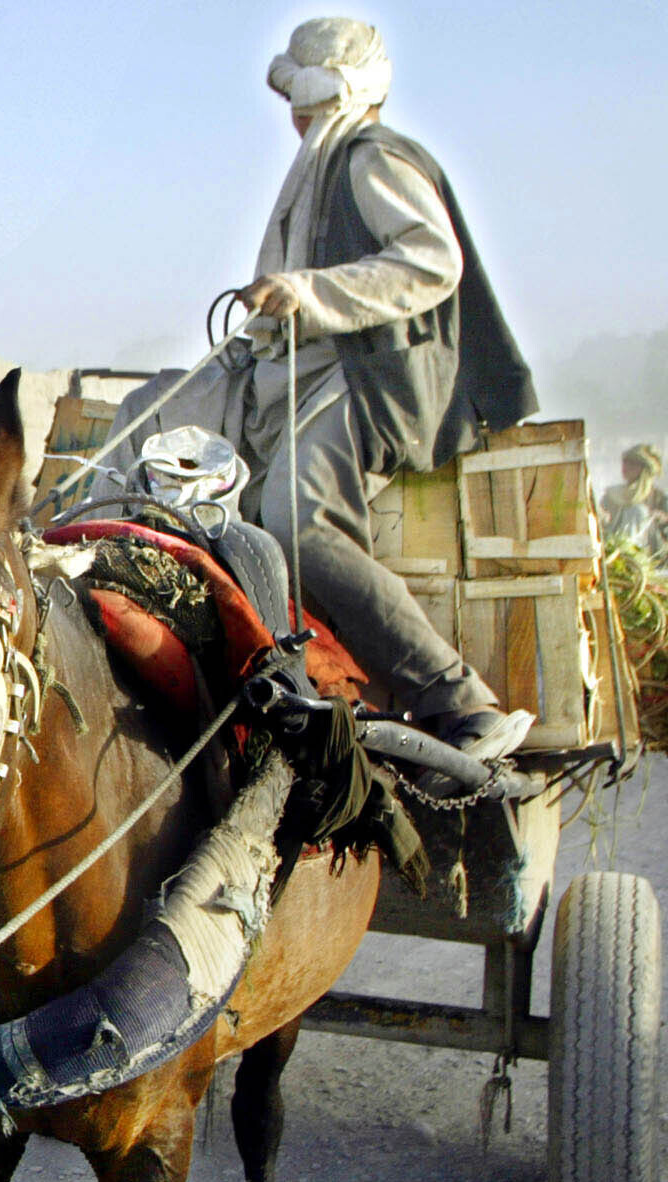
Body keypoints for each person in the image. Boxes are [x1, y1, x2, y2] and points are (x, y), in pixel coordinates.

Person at [113, 17, 540, 760]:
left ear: (342, 91)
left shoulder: (370, 157)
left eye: (303, 92)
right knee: (142, 423)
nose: (292, 111)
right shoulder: (320, 163)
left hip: (365, 373)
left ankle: (455, 696)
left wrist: (310, 291)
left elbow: (433, 259)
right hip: (289, 366)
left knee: (296, 521)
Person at [600, 444, 668, 556]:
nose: (625, 467)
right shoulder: (611, 496)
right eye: (625, 462)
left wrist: (662, 521)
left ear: (644, 468)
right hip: (614, 557)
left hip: (649, 560)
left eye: (632, 463)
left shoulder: (659, 499)